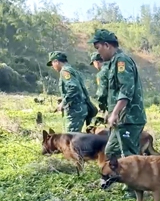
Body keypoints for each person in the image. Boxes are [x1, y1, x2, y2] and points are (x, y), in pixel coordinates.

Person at [88, 29, 147, 159]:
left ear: (107, 45)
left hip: (129, 118)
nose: (98, 52)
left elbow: (126, 89)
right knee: (116, 154)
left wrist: (115, 113)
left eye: (98, 48)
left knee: (124, 156)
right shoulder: (113, 62)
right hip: (122, 119)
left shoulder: (121, 61)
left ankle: (137, 178)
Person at [47, 51, 91, 132]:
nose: (53, 66)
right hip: (80, 108)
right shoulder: (72, 70)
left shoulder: (65, 71)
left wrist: (63, 102)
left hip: (75, 109)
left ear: (56, 61)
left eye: (52, 63)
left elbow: (74, 88)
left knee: (71, 138)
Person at [90, 52, 109, 119]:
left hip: (111, 106)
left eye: (94, 64)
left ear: (96, 62)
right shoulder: (112, 69)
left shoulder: (101, 74)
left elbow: (102, 93)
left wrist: (101, 107)